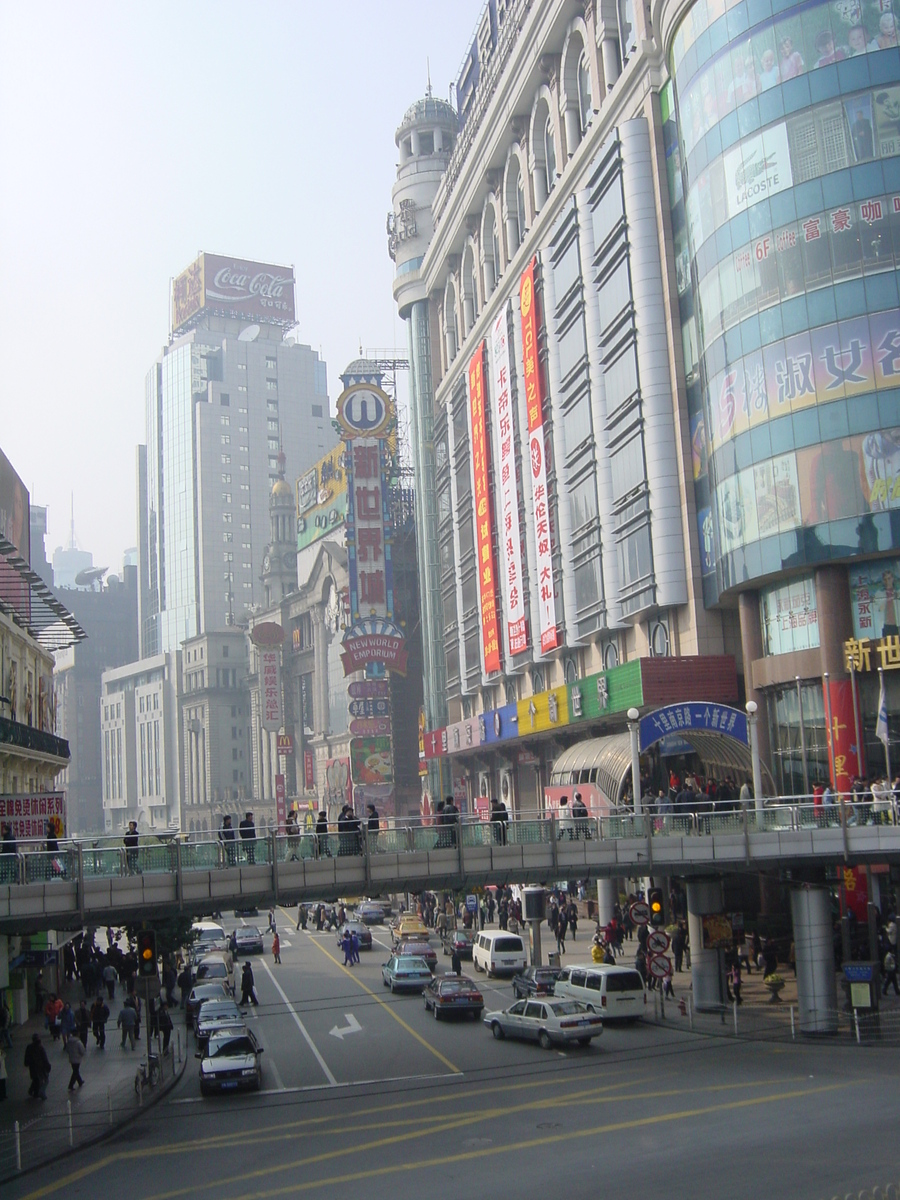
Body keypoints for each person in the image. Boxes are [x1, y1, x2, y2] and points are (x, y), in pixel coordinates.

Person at [24, 1033, 51, 1099]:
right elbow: (44, 1058)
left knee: (35, 1078)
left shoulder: (29, 1047)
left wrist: (26, 1063)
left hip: (32, 1066)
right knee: (40, 1079)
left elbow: (27, 1056)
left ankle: (32, 1091)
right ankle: (38, 1093)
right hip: (40, 1066)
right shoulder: (40, 1047)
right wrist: (47, 1065)